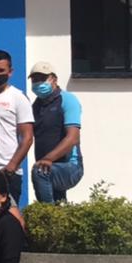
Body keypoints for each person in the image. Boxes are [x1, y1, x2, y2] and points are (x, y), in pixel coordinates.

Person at [28, 62, 84, 204]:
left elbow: (73, 138)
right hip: (49, 166)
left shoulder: (67, 100)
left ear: (54, 79)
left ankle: (47, 214)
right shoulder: (36, 106)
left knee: (39, 172)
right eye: (35, 79)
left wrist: (48, 159)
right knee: (59, 204)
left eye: (42, 78)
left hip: (70, 166)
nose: (38, 83)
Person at [0, 51, 35, 203]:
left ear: (10, 72)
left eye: (1, 70)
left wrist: (11, 167)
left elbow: (27, 137)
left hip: (7, 172)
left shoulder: (18, 97)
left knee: (9, 213)